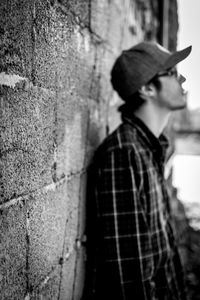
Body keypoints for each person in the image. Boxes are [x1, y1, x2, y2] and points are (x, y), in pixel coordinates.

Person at [86, 41, 192, 300]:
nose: (183, 78)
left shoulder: (150, 148)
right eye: (172, 73)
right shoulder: (124, 153)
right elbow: (130, 277)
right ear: (147, 88)